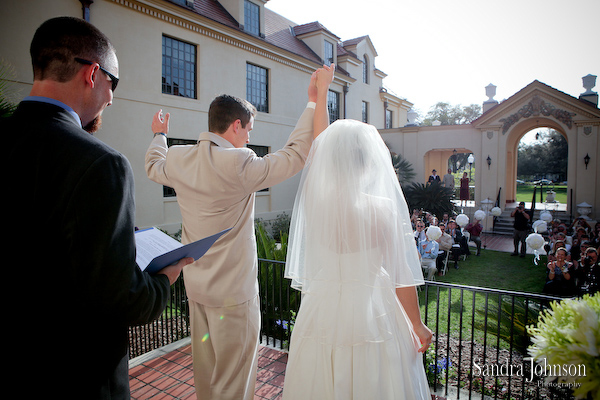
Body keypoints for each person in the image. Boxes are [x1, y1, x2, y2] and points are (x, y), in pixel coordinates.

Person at [3, 17, 193, 398]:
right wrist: (165, 277)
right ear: (92, 73)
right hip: (75, 376)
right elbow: (122, 297)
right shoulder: (100, 163)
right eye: (113, 83)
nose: (111, 97)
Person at [145, 64, 335, 399]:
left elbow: (152, 166)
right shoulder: (240, 163)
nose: (249, 137)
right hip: (234, 297)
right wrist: (312, 103)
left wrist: (159, 134)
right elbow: (295, 155)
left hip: (197, 290)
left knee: (206, 374)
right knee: (234, 381)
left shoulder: (178, 158)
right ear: (235, 126)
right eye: (248, 129)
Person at [283, 119, 432, 399]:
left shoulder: (314, 204)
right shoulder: (383, 210)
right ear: (369, 164)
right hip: (373, 313)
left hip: (322, 312)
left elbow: (320, 146)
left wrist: (320, 96)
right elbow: (401, 275)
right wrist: (416, 324)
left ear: (330, 161)